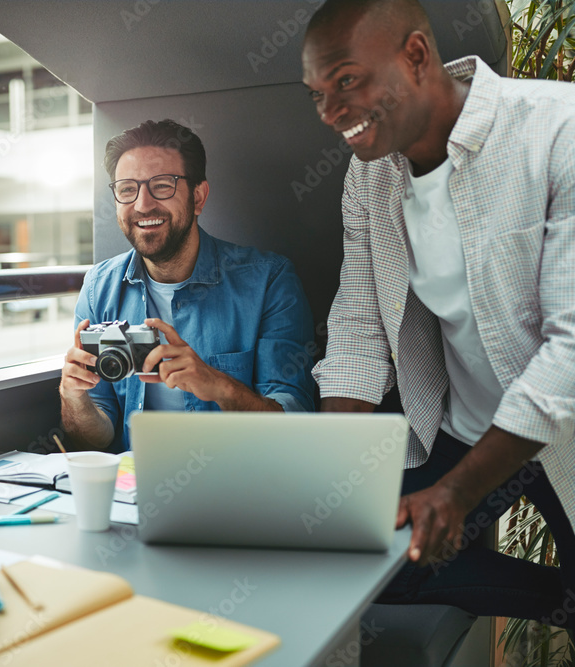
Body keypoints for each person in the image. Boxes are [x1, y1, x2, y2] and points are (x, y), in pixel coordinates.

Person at [303, 0, 575, 632]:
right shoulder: (368, 176)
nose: (331, 113)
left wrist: (456, 493)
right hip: (467, 426)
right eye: (318, 94)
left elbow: (569, 350)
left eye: (347, 81)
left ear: (416, 56)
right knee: (372, 568)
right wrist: (323, 484)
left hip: (564, 432)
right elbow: (357, 329)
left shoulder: (557, 128)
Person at [60, 119, 316, 452]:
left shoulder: (269, 280)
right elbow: (97, 437)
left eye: (162, 185)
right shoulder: (99, 287)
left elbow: (294, 427)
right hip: (133, 488)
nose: (142, 204)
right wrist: (73, 398)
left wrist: (218, 386)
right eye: (127, 189)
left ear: (198, 197)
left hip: (235, 486)